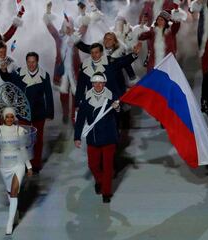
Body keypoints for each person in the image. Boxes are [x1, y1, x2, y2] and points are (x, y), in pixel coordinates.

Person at [0, 52, 54, 174]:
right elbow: (8, 78)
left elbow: (49, 94)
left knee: (37, 140)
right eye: (28, 61)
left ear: (37, 61)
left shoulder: (44, 75)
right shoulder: (19, 72)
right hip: (23, 112)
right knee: (23, 140)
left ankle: (36, 164)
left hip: (38, 113)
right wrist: (3, 71)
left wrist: (49, 113)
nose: (31, 64)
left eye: (33, 61)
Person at [74, 72, 120, 203]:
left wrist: (116, 108)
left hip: (108, 137)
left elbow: (119, 112)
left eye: (100, 82)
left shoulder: (112, 97)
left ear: (104, 83)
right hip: (93, 137)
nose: (98, 85)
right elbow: (81, 119)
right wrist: (77, 137)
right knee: (93, 165)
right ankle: (100, 180)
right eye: (95, 82)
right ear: (92, 84)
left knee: (108, 167)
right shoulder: (86, 98)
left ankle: (106, 192)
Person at [43, 1, 89, 124]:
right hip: (62, 71)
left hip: (74, 70)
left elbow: (84, 27)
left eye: (70, 26)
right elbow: (50, 27)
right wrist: (48, 12)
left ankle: (74, 118)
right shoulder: (59, 38)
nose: (68, 28)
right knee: (63, 94)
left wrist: (83, 13)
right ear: (63, 27)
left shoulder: (76, 38)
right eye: (66, 26)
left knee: (75, 94)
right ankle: (65, 114)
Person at [0, 107, 33, 235]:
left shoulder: (20, 130)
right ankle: (15, 214)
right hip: (4, 165)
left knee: (14, 192)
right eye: (7, 116)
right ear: (3, 117)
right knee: (10, 192)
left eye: (11, 117)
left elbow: (23, 149)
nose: (9, 119)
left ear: (14, 118)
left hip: (18, 163)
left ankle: (9, 224)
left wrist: (29, 166)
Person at [75, 42, 140, 108]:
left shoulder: (110, 62)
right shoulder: (85, 67)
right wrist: (77, 104)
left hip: (111, 101)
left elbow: (122, 61)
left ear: (101, 53)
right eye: (92, 52)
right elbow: (80, 88)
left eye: (96, 52)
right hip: (93, 102)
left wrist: (133, 54)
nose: (94, 55)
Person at [190, 0, 208, 74]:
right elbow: (193, 12)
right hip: (204, 31)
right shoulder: (200, 4)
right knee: (205, 54)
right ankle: (206, 76)